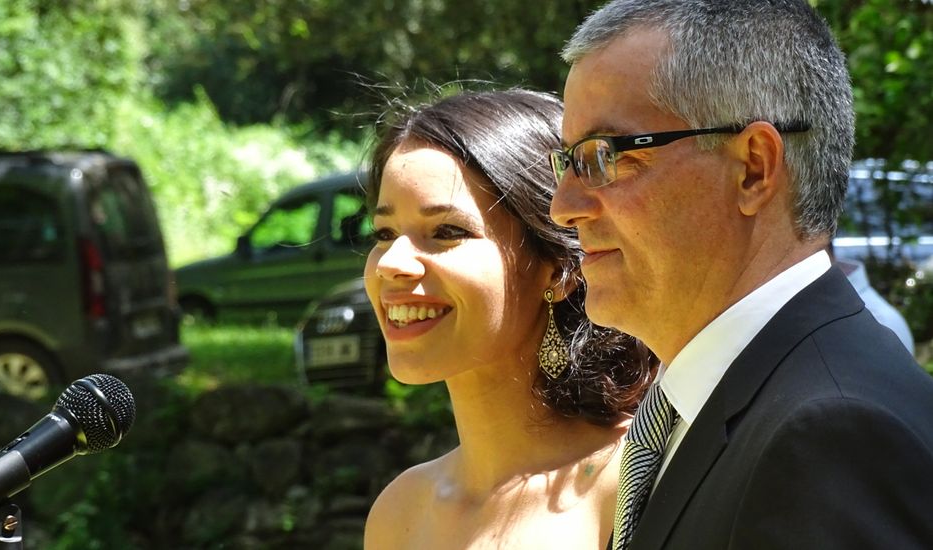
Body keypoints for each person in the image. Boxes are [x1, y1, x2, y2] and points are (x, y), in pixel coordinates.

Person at [548, 1, 933, 549]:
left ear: (753, 167)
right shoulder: (735, 400)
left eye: (604, 156)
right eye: (568, 162)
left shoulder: (831, 434)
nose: (563, 207)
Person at [362, 88, 654, 549]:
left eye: (446, 231)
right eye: (383, 233)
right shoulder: (399, 512)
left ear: (559, 269)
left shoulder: (633, 481)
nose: (390, 263)